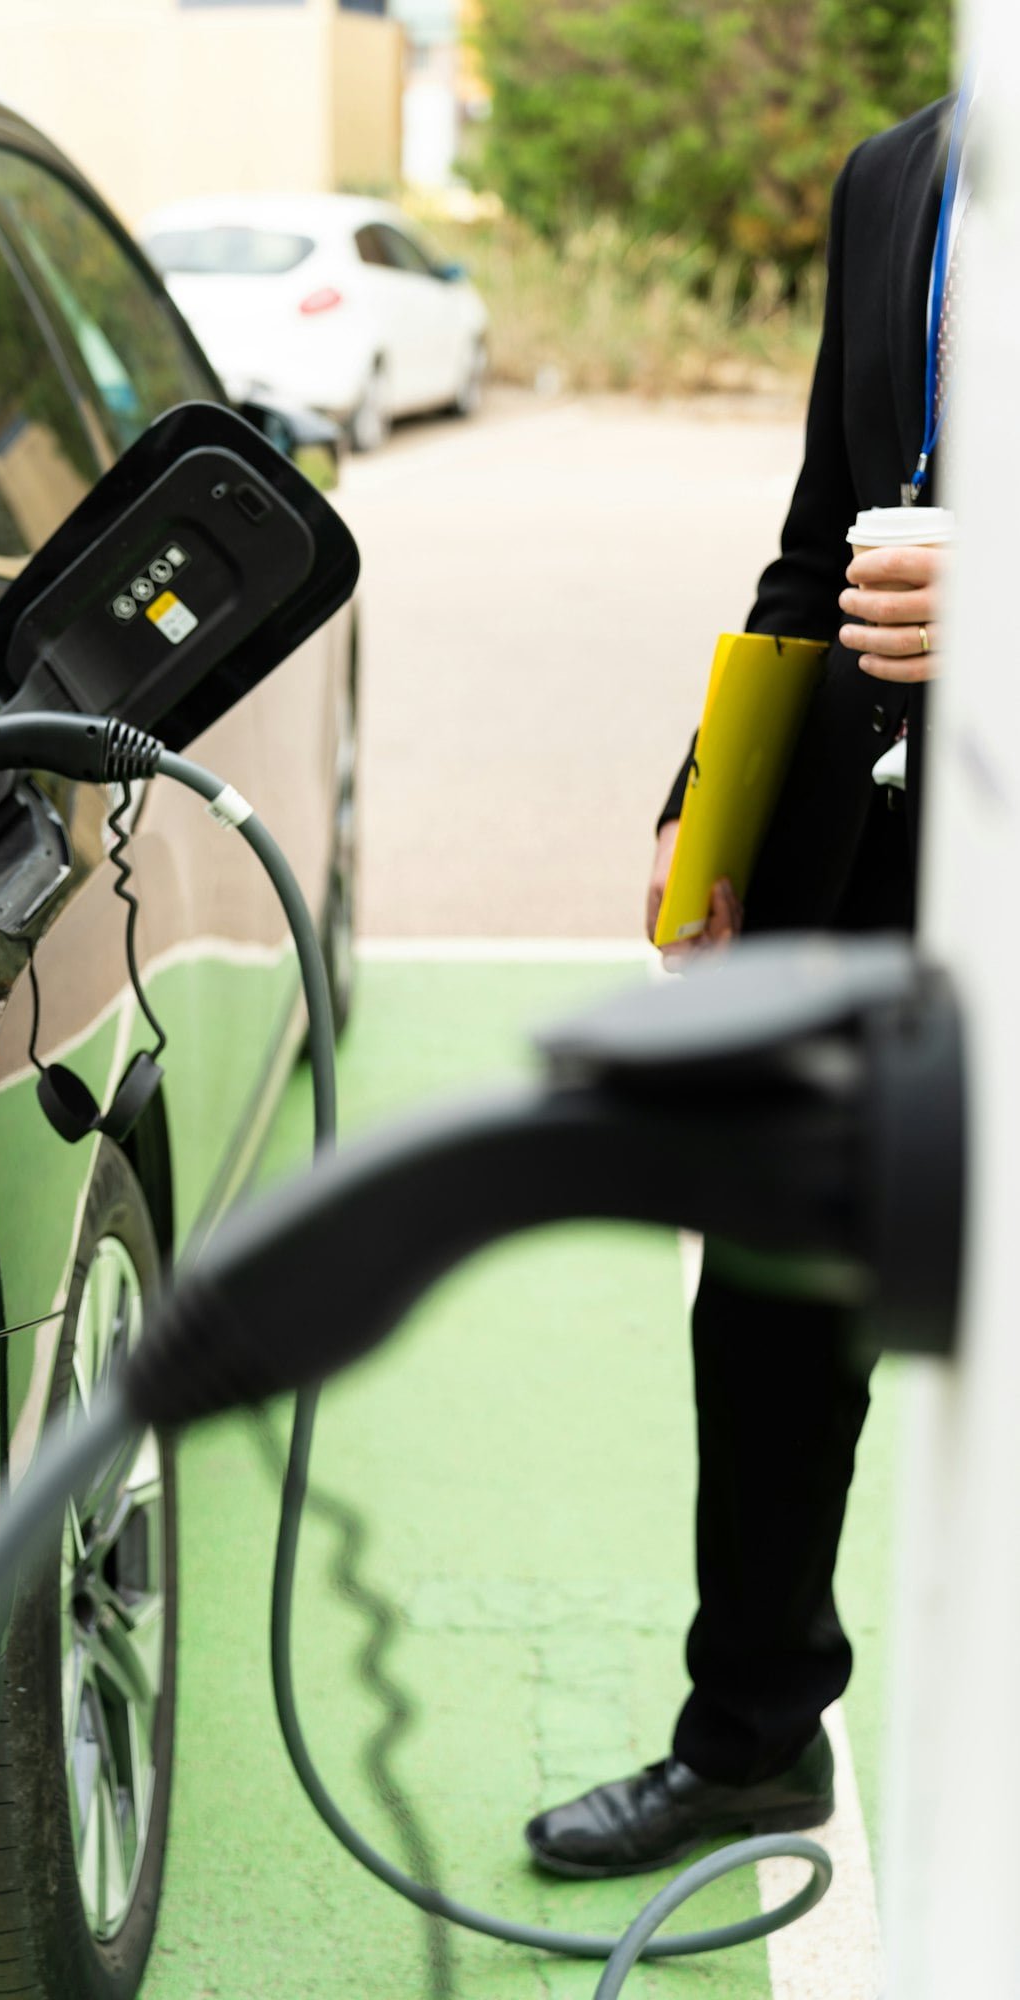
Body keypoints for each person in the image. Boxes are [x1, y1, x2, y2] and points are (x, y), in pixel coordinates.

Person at [526, 89, 964, 1877]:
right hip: (865, 858)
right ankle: (752, 1742)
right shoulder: (897, 172)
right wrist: (706, 806)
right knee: (771, 1305)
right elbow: (820, 530)